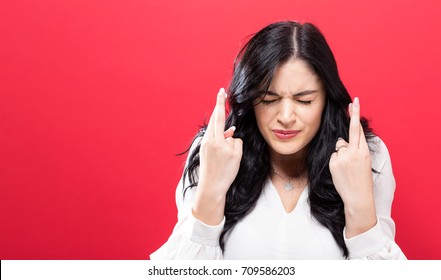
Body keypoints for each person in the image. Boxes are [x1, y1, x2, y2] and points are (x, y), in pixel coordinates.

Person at [150, 21, 406, 259]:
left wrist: (359, 206)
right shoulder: (212, 150)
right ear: (249, 98)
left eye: (304, 101)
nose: (285, 117)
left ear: (327, 99)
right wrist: (210, 192)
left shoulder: (364, 155)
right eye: (269, 100)